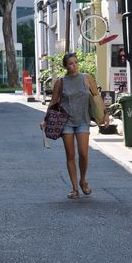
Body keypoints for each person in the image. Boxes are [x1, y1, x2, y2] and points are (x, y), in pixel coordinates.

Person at [41, 52, 107, 199]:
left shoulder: (87, 78)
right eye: (71, 63)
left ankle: (83, 181)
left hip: (83, 120)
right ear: (66, 66)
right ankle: (75, 188)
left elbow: (96, 97)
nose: (74, 65)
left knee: (83, 154)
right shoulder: (61, 82)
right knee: (70, 155)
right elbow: (53, 101)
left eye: (76, 62)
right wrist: (46, 120)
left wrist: (105, 114)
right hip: (66, 122)